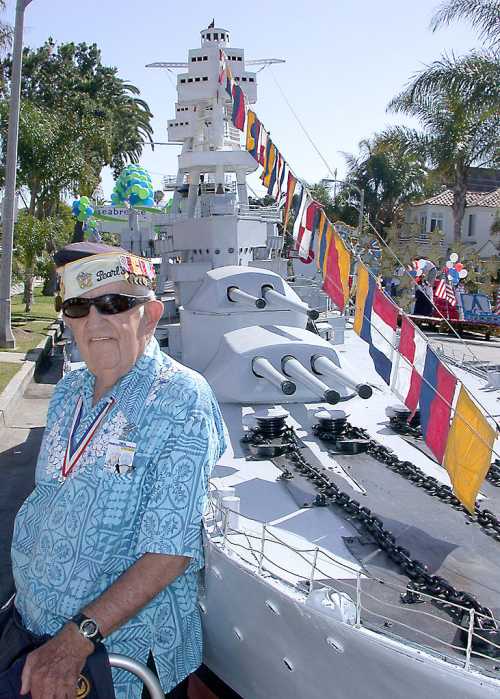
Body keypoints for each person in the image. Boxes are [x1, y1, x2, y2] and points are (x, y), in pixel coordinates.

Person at [5, 243, 227, 699]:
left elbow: (170, 553)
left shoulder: (182, 400)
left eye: (114, 304)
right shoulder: (69, 391)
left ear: (150, 316)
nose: (96, 322)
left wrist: (75, 638)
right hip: (29, 624)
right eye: (79, 307)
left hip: (109, 655)